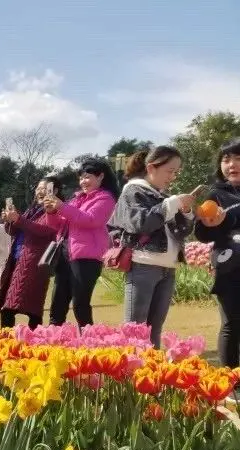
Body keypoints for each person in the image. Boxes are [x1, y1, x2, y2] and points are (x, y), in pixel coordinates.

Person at [108, 147, 195, 349]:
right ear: (151, 167)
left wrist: (187, 212)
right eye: (170, 171)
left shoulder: (164, 196)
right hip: (142, 266)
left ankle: (151, 375)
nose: (173, 176)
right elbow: (141, 224)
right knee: (136, 328)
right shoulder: (133, 191)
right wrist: (170, 205)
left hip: (168, 268)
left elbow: (181, 232)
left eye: (176, 172)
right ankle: (130, 376)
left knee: (154, 329)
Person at [46, 159, 120, 327]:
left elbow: (91, 220)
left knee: (80, 304)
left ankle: (90, 342)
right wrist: (51, 212)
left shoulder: (106, 198)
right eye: (81, 178)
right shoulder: (76, 199)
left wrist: (62, 206)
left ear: (100, 176)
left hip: (86, 258)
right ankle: (52, 342)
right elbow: (57, 225)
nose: (82, 182)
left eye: (87, 177)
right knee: (57, 303)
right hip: (65, 255)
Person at [0, 178, 66, 329]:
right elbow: (13, 231)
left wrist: (18, 219)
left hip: (35, 263)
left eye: (44, 188)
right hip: (18, 260)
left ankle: (20, 343)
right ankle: (15, 342)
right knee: (21, 307)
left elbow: (44, 230)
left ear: (55, 191)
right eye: (38, 188)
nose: (39, 191)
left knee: (23, 308)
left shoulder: (55, 210)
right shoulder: (32, 210)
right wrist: (9, 220)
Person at [194, 138, 240, 369]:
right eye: (226, 159)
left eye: (238, 159)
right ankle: (232, 381)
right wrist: (215, 223)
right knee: (232, 322)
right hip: (231, 265)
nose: (232, 164)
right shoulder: (216, 195)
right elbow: (202, 233)